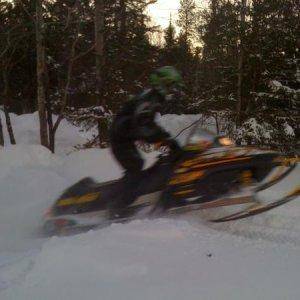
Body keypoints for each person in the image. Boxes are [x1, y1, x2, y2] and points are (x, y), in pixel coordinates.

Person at [108, 66, 184, 219]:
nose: (172, 90)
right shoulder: (149, 98)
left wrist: (166, 139)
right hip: (120, 138)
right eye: (170, 85)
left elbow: (148, 125)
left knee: (143, 165)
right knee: (135, 167)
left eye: (173, 86)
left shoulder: (151, 97)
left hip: (125, 137)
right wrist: (165, 141)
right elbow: (143, 125)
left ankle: (142, 198)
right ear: (162, 83)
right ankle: (118, 208)